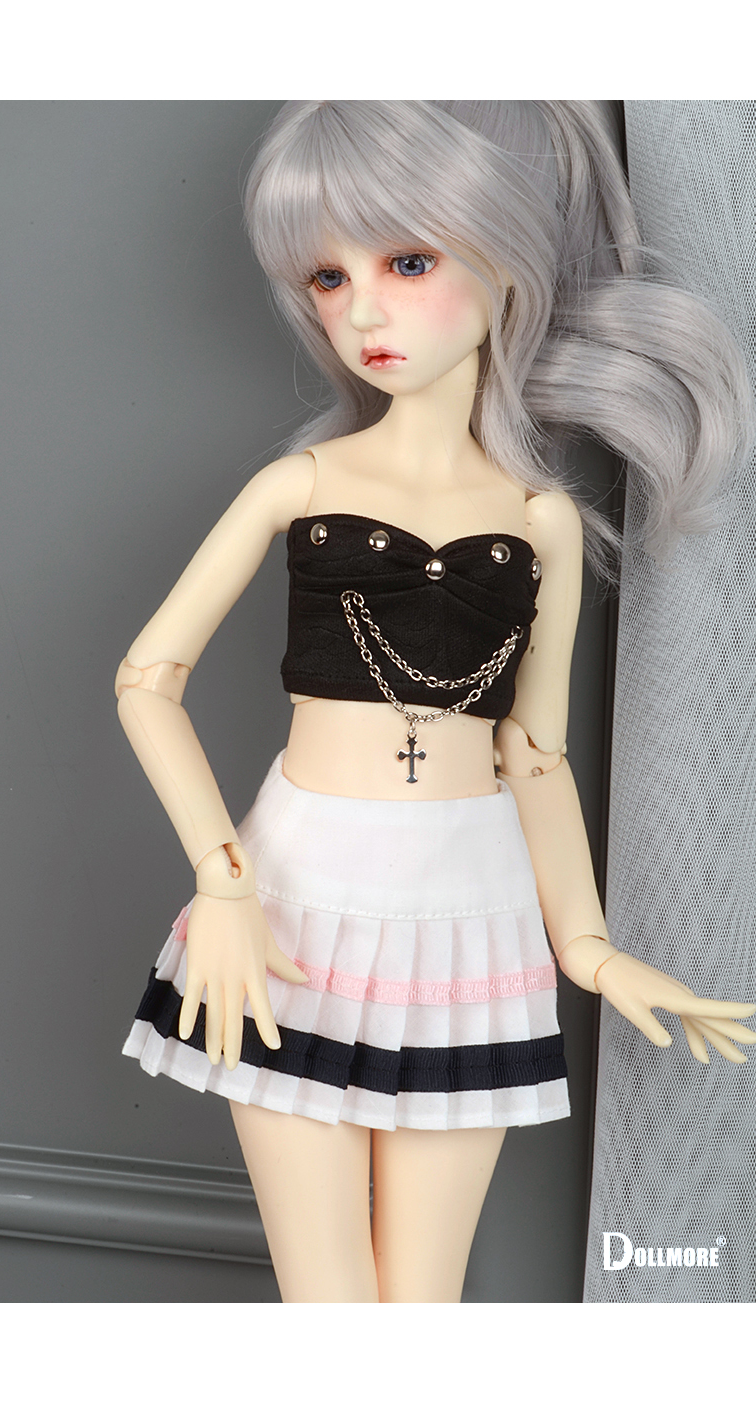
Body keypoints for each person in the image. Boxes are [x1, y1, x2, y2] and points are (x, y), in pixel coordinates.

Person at [117, 102, 756, 1303]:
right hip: (291, 901)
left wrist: (589, 948)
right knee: (331, 1300)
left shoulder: (539, 520)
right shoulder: (302, 484)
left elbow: (534, 754)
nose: (361, 311)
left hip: (475, 918)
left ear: (503, 261)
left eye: (405, 262)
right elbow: (146, 680)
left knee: (424, 1302)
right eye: (327, 276)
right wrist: (221, 877)